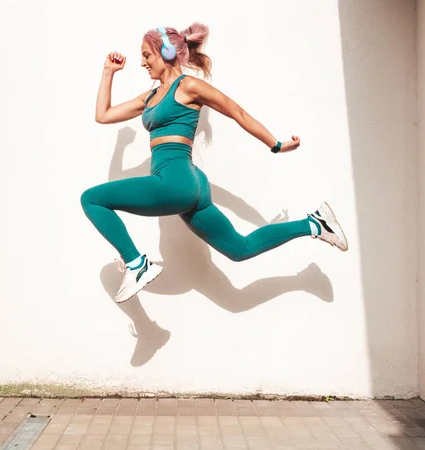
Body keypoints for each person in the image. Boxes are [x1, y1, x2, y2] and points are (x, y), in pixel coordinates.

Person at [81, 23, 348, 303]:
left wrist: (277, 145)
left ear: (166, 52)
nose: (142, 62)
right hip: (190, 185)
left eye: (147, 55)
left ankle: (136, 265)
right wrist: (108, 72)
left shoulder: (189, 86)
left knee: (92, 199)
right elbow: (104, 115)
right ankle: (315, 224)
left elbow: (237, 112)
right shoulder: (150, 96)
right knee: (239, 249)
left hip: (177, 180)